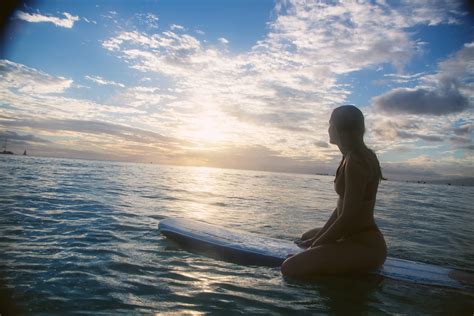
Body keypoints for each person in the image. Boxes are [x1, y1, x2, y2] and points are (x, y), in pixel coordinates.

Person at [281, 105, 387, 279]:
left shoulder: (355, 161)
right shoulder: (351, 157)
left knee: (290, 268)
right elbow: (341, 209)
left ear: (340, 130)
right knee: (307, 236)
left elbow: (348, 216)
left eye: (330, 124)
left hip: (365, 244)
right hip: (353, 237)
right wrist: (314, 241)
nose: (328, 129)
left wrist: (317, 245)